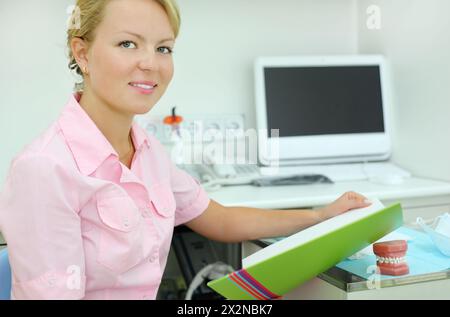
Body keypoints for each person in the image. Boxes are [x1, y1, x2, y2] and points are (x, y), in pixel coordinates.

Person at [0, 0, 370, 300]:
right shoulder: (44, 168)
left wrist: (320, 215)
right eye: (127, 43)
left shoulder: (147, 151)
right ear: (82, 53)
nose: (150, 63)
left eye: (163, 48)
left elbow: (220, 220)